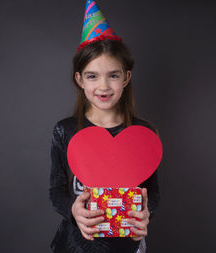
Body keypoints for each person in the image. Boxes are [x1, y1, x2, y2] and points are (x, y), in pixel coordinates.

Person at [49, 1, 160, 252]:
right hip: (76, 243)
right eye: (92, 75)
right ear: (79, 79)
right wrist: (72, 209)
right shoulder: (65, 131)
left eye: (113, 75)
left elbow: (152, 191)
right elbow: (56, 189)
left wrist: (146, 212)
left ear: (126, 77)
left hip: (127, 244)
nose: (103, 86)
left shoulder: (144, 135)